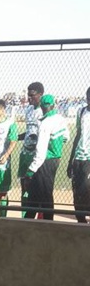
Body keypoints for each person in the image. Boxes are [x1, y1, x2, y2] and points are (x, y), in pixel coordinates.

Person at [22, 94, 69, 221]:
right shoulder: (60, 119)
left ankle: (46, 223)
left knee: (43, 194)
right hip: (55, 159)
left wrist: (30, 170)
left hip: (45, 161)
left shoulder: (45, 123)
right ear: (53, 105)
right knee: (41, 192)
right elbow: (66, 137)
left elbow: (41, 151)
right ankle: (30, 218)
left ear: (42, 107)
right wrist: (55, 144)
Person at [18, 82, 44, 215]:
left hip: (36, 155)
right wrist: (15, 137)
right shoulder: (28, 110)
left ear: (40, 95)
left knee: (37, 186)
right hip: (25, 153)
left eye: (32, 95)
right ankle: (24, 216)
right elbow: (28, 132)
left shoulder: (44, 111)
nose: (29, 98)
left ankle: (39, 216)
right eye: (28, 95)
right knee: (24, 186)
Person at [67, 87, 90, 223]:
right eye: (88, 98)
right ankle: (80, 220)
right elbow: (78, 135)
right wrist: (71, 160)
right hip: (79, 157)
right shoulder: (81, 112)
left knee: (86, 186)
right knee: (76, 190)